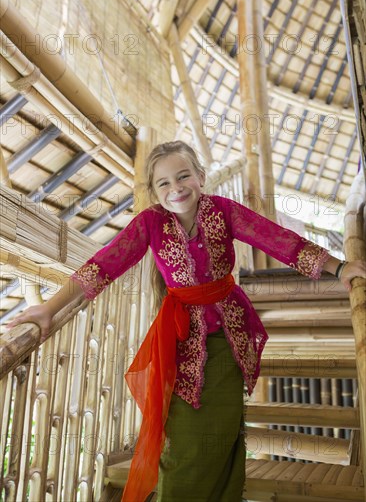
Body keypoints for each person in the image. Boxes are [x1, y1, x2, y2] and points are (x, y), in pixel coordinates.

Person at [6, 141, 366, 502]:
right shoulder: (150, 222)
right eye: (163, 183)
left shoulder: (224, 211)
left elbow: (277, 240)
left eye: (183, 176)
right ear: (153, 191)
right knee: (183, 445)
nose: (175, 188)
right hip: (177, 342)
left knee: (224, 434)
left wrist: (339, 267)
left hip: (228, 337)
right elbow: (103, 266)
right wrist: (48, 310)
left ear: (201, 177)